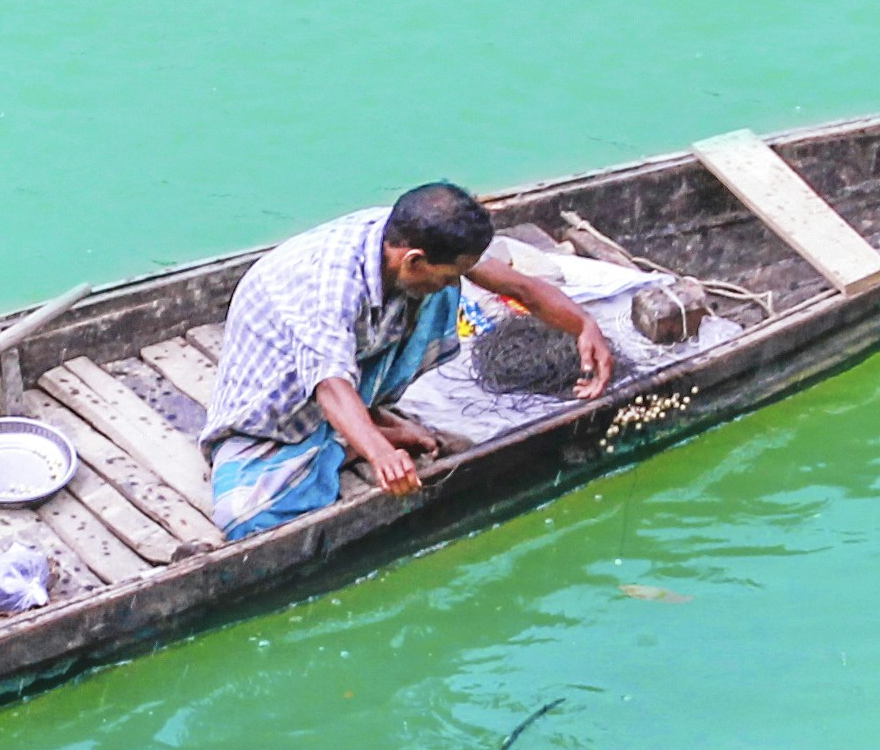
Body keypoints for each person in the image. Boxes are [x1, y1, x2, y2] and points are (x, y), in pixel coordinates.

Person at [196, 182, 612, 541]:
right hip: (279, 405)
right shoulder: (328, 288)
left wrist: (584, 326)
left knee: (442, 294)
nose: (453, 283)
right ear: (412, 259)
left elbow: (517, 286)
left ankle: (363, 424)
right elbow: (330, 386)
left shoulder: (411, 234)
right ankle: (351, 439)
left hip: (346, 375)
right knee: (248, 517)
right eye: (445, 272)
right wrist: (380, 454)